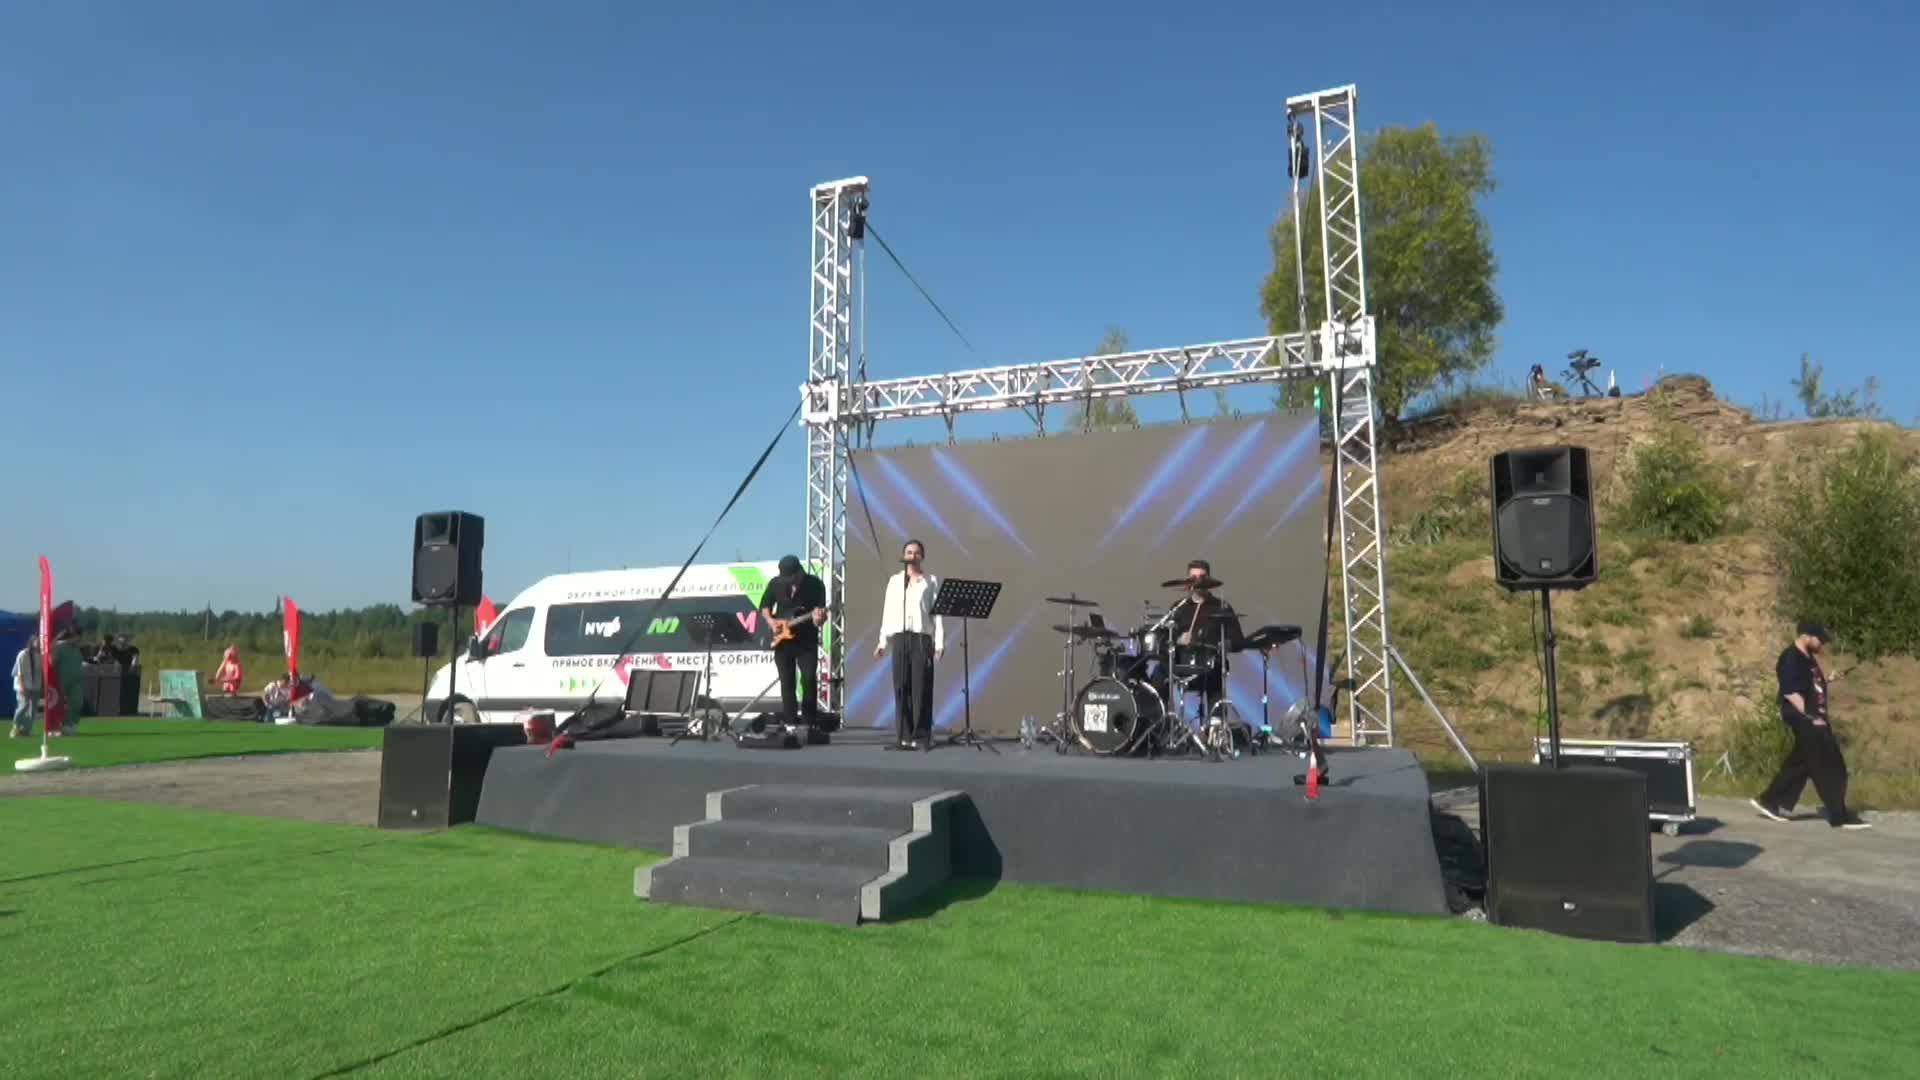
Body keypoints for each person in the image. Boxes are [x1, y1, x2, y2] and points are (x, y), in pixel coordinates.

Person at [1752, 621, 1870, 830]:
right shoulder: (1791, 658)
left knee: (1801, 763)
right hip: (1805, 719)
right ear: (1806, 636)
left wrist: (1829, 679)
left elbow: (1810, 685)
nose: (1822, 644)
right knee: (1831, 765)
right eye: (1820, 639)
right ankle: (1839, 816)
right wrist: (1811, 716)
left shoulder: (1807, 658)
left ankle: (1770, 800)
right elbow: (1791, 692)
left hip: (1813, 717)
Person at [874, 538, 944, 751]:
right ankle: (904, 734)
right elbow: (888, 611)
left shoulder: (930, 581)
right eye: (909, 552)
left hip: (922, 638)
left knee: (921, 688)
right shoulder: (895, 581)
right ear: (904, 556)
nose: (912, 555)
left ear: (922, 556)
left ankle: (921, 735)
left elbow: (937, 614)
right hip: (900, 638)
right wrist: (882, 642)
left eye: (916, 552)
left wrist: (939, 643)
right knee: (901, 686)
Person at [1164, 559, 1244, 716]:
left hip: (1210, 667)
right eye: (1193, 578)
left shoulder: (1221, 607)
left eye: (1202, 577)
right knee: (1160, 672)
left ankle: (1216, 724)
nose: (1198, 582)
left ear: (1209, 579)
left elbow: (1239, 641)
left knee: (1216, 674)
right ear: (1187, 581)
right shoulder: (1178, 607)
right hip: (1182, 665)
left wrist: (1223, 644)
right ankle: (1163, 720)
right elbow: (1165, 640)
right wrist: (1179, 640)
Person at [758, 555, 827, 732]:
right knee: (786, 681)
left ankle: (809, 722)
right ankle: (790, 722)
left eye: (791, 578)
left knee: (809, 679)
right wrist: (771, 622)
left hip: (807, 640)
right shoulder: (775, 583)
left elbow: (819, 619)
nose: (788, 582)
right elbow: (764, 606)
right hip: (782, 640)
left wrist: (819, 619)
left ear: (799, 573)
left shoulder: (816, 585)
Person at [50, 628, 84, 735]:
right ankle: (55, 727)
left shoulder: (77, 648)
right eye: (78, 637)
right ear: (72, 636)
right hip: (60, 681)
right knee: (58, 705)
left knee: (77, 701)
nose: (79, 640)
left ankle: (70, 724)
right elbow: (52, 663)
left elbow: (79, 662)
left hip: (75, 681)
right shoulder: (59, 647)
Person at [10, 638, 40, 738]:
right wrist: (22, 687)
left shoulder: (39, 656)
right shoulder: (23, 654)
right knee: (24, 705)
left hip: (35, 686)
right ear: (31, 642)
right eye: (37, 642)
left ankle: (26, 730)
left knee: (32, 710)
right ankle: (16, 726)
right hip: (23, 685)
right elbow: (19, 673)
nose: (39, 644)